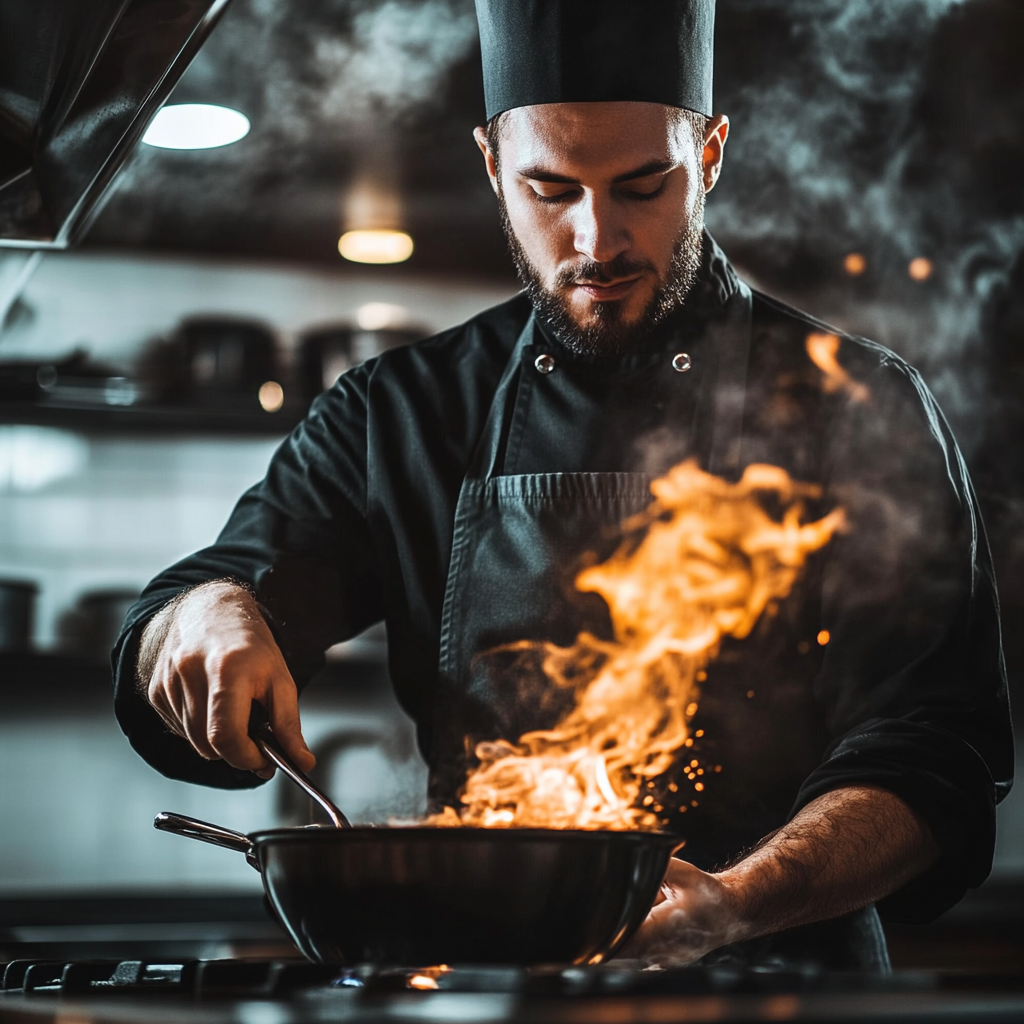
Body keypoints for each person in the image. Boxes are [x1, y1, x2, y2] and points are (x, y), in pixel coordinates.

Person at [114, 0, 1012, 969]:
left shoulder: (856, 405)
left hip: (783, 982)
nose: (597, 241)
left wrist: (736, 902)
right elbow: (197, 608)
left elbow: (935, 757)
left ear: (708, 155)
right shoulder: (402, 412)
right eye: (550, 189)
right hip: (482, 981)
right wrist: (199, 618)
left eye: (642, 185)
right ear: (492, 165)